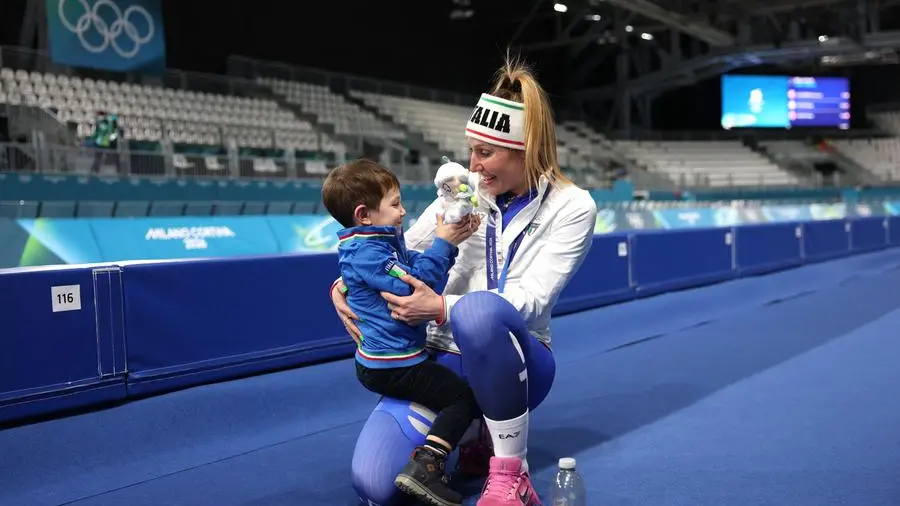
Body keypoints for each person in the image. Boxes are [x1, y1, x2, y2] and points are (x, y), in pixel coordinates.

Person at [331, 56, 598, 506]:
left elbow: (530, 299)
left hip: (519, 358)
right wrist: (342, 284)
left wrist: (440, 308)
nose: (472, 164)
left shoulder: (573, 207)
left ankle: (510, 471)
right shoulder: (463, 190)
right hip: (438, 359)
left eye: (485, 152)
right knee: (375, 485)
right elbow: (400, 249)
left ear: (525, 149)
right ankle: (474, 427)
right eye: (471, 148)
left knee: (480, 313)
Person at [322, 159, 484, 506]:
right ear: (364, 214)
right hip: (394, 366)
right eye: (395, 204)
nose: (403, 211)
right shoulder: (369, 253)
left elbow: (408, 263)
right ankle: (427, 465)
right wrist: (443, 244)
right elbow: (418, 287)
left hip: (390, 360)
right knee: (462, 399)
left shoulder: (375, 242)